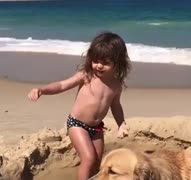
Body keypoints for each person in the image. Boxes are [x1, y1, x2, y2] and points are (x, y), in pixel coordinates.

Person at [27, 32, 131, 180]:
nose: (99, 66)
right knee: (88, 158)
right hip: (77, 124)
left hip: (96, 128)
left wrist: (121, 123)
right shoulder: (86, 76)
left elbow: (115, 105)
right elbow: (62, 85)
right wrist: (42, 90)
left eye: (106, 62)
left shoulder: (116, 84)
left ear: (118, 62)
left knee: (97, 162)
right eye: (96, 61)